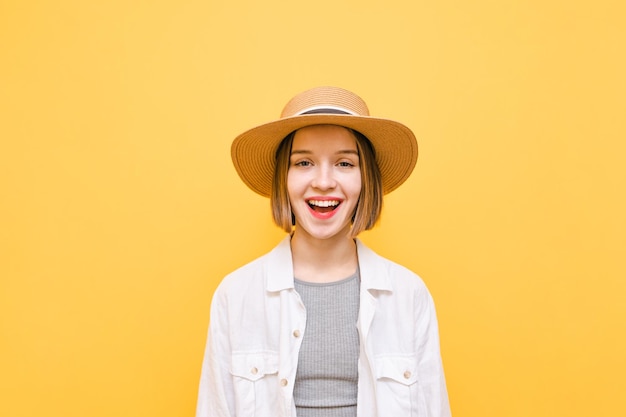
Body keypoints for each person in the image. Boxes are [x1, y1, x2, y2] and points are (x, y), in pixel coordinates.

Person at [196, 86, 451, 417]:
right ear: (283, 180)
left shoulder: (408, 294)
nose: (324, 181)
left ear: (366, 180)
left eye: (345, 163)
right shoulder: (236, 295)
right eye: (304, 162)